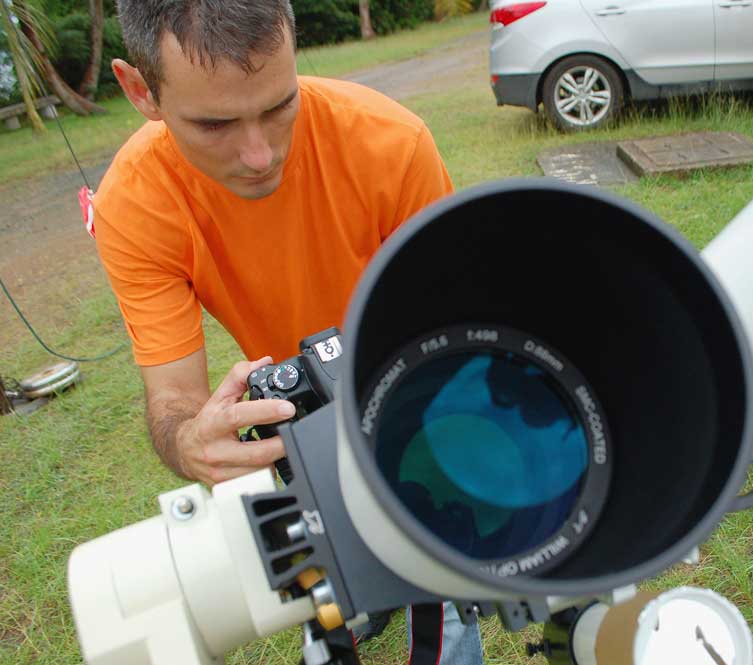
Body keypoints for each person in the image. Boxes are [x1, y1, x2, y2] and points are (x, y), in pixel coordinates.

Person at [94, 2, 482, 664]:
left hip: (415, 385)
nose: (259, 154)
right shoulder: (134, 202)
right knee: (331, 586)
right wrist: (190, 441)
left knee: (437, 568)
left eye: (280, 105)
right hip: (296, 417)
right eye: (214, 124)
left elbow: (458, 332)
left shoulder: (390, 143)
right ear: (140, 90)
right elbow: (174, 401)